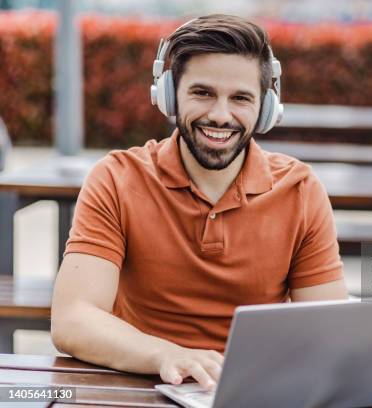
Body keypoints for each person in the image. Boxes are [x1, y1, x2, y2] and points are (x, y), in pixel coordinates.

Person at [50, 14, 348, 391]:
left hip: (248, 393)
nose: (220, 116)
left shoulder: (300, 190)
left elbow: (326, 332)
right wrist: (167, 355)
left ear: (267, 108)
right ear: (169, 95)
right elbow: (72, 320)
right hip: (139, 387)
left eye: (240, 98)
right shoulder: (116, 178)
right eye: (202, 93)